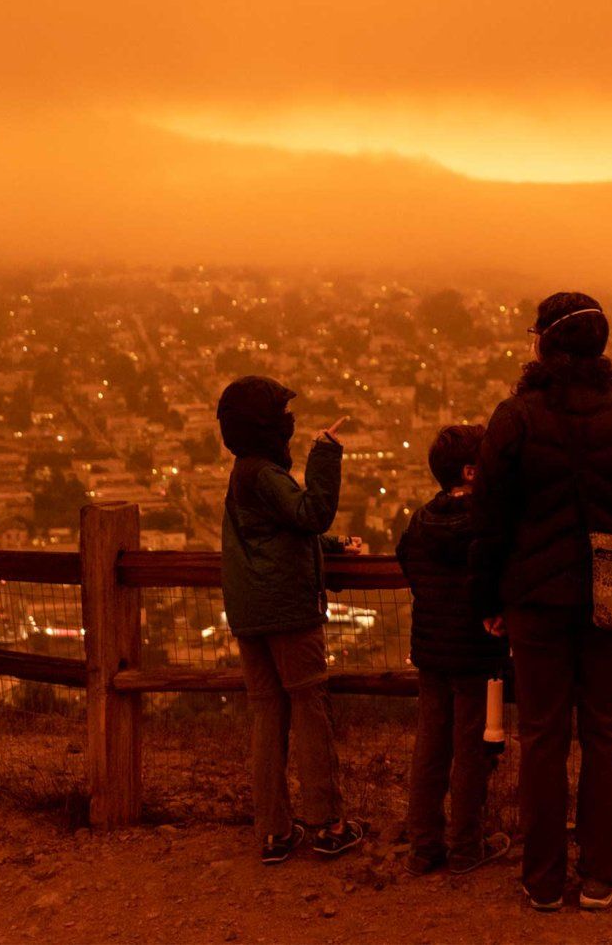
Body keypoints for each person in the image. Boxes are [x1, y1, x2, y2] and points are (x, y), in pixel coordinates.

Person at [470, 292, 612, 912]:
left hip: (534, 601)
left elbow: (490, 522)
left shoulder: (515, 419)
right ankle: (602, 873)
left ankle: (542, 878)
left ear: (543, 345)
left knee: (544, 736)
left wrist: (490, 597)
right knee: (607, 733)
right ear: (601, 348)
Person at [218, 375, 364, 865]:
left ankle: (275, 831)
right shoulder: (264, 474)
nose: (289, 423)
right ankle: (328, 823)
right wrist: (325, 455)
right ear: (267, 426)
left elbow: (274, 534)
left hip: (250, 611)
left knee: (266, 713)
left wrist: (332, 550)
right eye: (281, 415)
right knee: (309, 708)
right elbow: (312, 512)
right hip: (286, 610)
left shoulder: (243, 472)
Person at [396, 425, 511, 877]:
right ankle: (466, 846)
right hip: (477, 653)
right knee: (471, 752)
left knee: (430, 747)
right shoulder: (487, 526)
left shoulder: (419, 523)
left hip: (430, 652)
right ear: (470, 471)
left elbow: (409, 566)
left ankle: (424, 846)